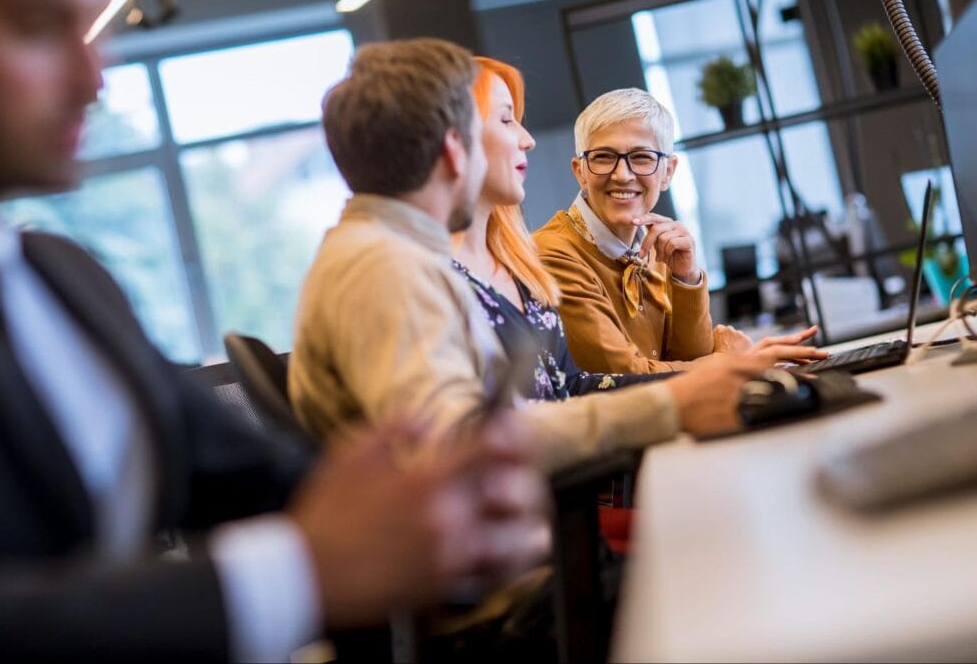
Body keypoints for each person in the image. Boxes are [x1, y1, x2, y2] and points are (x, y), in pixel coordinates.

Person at [0, 0, 549, 659]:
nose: (94, 79)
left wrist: (436, 512)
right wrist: (295, 574)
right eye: (35, 28)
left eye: (91, 34)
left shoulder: (60, 276)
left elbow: (260, 478)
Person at [289, 37, 804, 473]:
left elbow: (559, 391)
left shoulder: (396, 255)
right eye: (506, 122)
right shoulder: (383, 267)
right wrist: (673, 401)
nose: (529, 141)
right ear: (456, 147)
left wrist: (702, 377)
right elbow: (459, 448)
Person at [532, 88, 826, 374]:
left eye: (642, 157)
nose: (622, 175)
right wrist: (733, 362)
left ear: (668, 172)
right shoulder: (551, 254)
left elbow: (688, 359)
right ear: (580, 170)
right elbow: (626, 376)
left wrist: (686, 278)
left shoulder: (656, 245)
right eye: (604, 157)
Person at [452, 56, 676, 401]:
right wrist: (720, 368)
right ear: (455, 140)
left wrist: (689, 283)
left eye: (642, 158)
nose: (528, 139)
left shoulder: (515, 262)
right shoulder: (434, 278)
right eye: (506, 119)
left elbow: (568, 386)